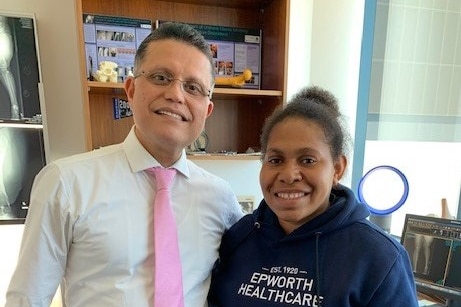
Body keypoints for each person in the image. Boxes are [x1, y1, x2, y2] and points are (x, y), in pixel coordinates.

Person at [5, 22, 243, 307]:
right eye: (161, 77)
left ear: (207, 109)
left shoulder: (221, 199)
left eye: (193, 87)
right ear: (130, 89)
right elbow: (28, 299)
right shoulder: (66, 184)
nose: (176, 95)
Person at [208, 86, 419, 306]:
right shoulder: (240, 237)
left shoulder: (378, 257)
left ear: (337, 168)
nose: (289, 175)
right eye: (275, 160)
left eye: (308, 160)